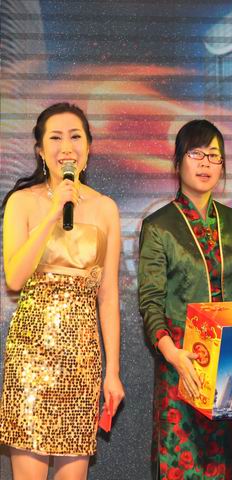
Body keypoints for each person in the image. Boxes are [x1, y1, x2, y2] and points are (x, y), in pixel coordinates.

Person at [0, 102, 125, 480]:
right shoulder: (22, 202)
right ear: (40, 150)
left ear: (88, 147)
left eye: (75, 137)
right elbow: (14, 279)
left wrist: (113, 372)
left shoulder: (105, 208)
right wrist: (54, 212)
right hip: (30, 358)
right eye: (55, 138)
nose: (66, 147)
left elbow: (108, 297)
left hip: (82, 360)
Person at [138, 119, 232, 479]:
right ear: (178, 162)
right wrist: (172, 354)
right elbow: (151, 301)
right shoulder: (159, 225)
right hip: (182, 364)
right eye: (196, 154)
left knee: (228, 463)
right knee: (182, 464)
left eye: (214, 156)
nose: (206, 163)